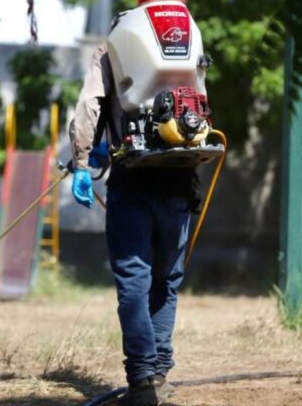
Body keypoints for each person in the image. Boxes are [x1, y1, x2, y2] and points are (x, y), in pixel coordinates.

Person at [69, 44, 197, 406]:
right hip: (180, 181)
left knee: (134, 282)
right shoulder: (186, 44)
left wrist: (81, 161)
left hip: (132, 183)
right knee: (166, 282)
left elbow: (90, 106)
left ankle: (142, 381)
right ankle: (158, 375)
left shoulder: (112, 48)